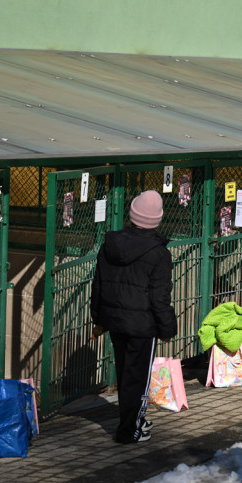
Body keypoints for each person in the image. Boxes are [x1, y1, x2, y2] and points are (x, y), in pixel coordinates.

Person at [90, 190, 177, 443]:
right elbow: (160, 297)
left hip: (116, 321)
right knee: (137, 379)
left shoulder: (110, 243)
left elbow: (99, 284)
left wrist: (99, 317)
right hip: (143, 325)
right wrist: (167, 328)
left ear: (132, 213)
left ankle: (133, 421)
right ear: (158, 218)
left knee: (125, 374)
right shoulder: (159, 253)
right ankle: (130, 431)